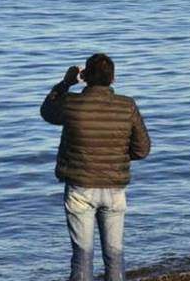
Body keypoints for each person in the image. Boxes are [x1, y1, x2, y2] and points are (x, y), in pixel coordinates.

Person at [40, 53, 151, 281]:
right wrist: (116, 156)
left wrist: (65, 83)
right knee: (115, 254)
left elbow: (47, 111)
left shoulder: (71, 103)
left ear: (86, 77)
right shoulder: (127, 105)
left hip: (80, 189)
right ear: (113, 79)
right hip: (114, 189)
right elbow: (142, 150)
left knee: (82, 256)